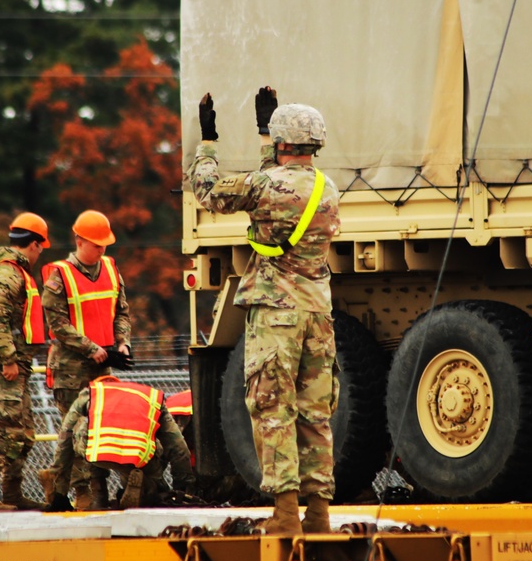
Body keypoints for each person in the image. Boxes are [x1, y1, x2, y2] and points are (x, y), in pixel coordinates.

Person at [185, 87, 341, 534]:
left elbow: (208, 192)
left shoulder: (267, 186)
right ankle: (318, 515)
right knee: (316, 412)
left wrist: (208, 141)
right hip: (317, 312)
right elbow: (277, 183)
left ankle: (286, 514)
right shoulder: (326, 188)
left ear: (282, 143)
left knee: (272, 406)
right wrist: (263, 134)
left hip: (276, 312)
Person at [36, 210, 132, 511]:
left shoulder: (110, 269)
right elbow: (57, 324)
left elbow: (121, 311)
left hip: (102, 365)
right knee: (74, 430)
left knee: (99, 429)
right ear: (79, 240)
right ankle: (80, 491)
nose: (101, 249)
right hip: (70, 369)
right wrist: (90, 348)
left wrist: (122, 342)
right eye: (95, 244)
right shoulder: (59, 275)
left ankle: (82, 486)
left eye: (105, 244)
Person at [0, 212, 51, 511]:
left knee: (22, 433)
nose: (41, 254)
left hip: (14, 369)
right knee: (2, 432)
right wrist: (9, 359)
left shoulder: (15, 272)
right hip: (4, 368)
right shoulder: (8, 273)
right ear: (34, 244)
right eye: (42, 247)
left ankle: (12, 495)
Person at [45, 375, 196, 510]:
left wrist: (60, 493)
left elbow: (64, 441)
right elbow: (179, 448)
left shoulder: (90, 394)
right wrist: (182, 491)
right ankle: (146, 490)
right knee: (156, 490)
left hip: (97, 450)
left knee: (89, 432)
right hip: (140, 455)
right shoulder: (150, 396)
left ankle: (99, 497)